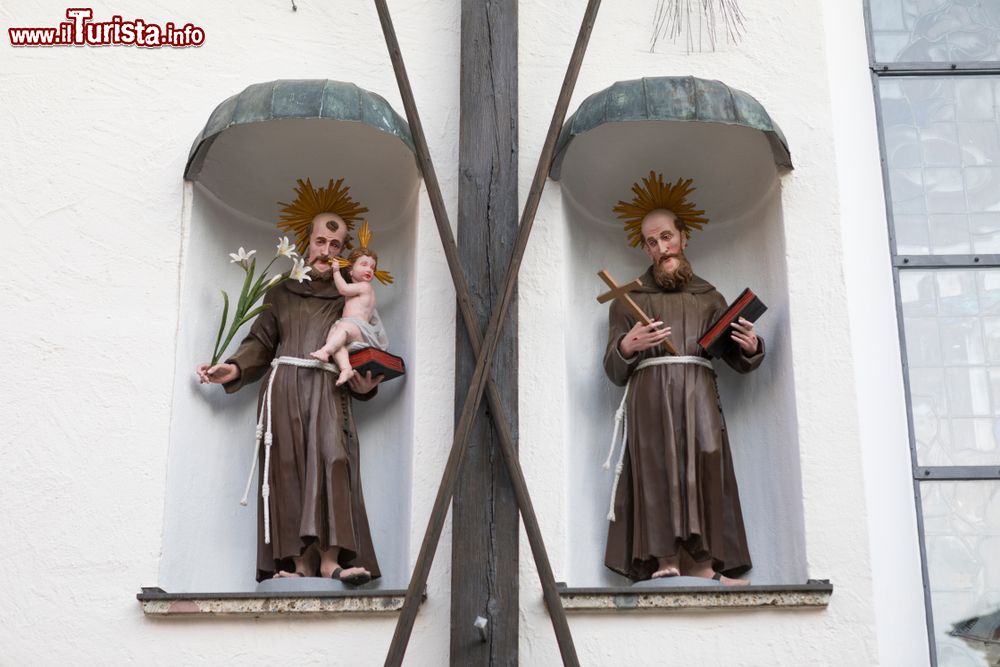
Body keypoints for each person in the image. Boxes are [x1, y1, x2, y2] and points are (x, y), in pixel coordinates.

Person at [196, 179, 383, 585]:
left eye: (336, 246)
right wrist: (232, 368)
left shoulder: (349, 296)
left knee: (334, 460)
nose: (326, 252)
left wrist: (367, 384)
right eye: (320, 242)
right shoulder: (280, 291)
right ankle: (298, 564)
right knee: (288, 469)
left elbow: (361, 341)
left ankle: (332, 561)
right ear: (306, 241)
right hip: (283, 389)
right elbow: (260, 343)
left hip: (330, 389)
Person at [603, 173, 763, 586]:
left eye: (667, 237)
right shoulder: (628, 300)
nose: (661, 248)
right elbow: (612, 368)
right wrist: (629, 345)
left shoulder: (710, 297)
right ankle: (664, 561)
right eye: (651, 242)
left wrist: (749, 346)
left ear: (684, 237)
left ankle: (706, 566)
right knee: (657, 469)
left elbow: (732, 356)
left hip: (699, 392)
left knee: (707, 462)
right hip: (651, 396)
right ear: (644, 247)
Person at [310, 246, 388, 386]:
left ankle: (325, 352)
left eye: (372, 267)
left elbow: (343, 289)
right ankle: (346, 369)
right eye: (364, 265)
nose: (369, 269)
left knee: (342, 329)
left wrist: (335, 270)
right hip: (350, 325)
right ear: (351, 270)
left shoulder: (365, 287)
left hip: (360, 328)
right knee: (335, 337)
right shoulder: (358, 288)